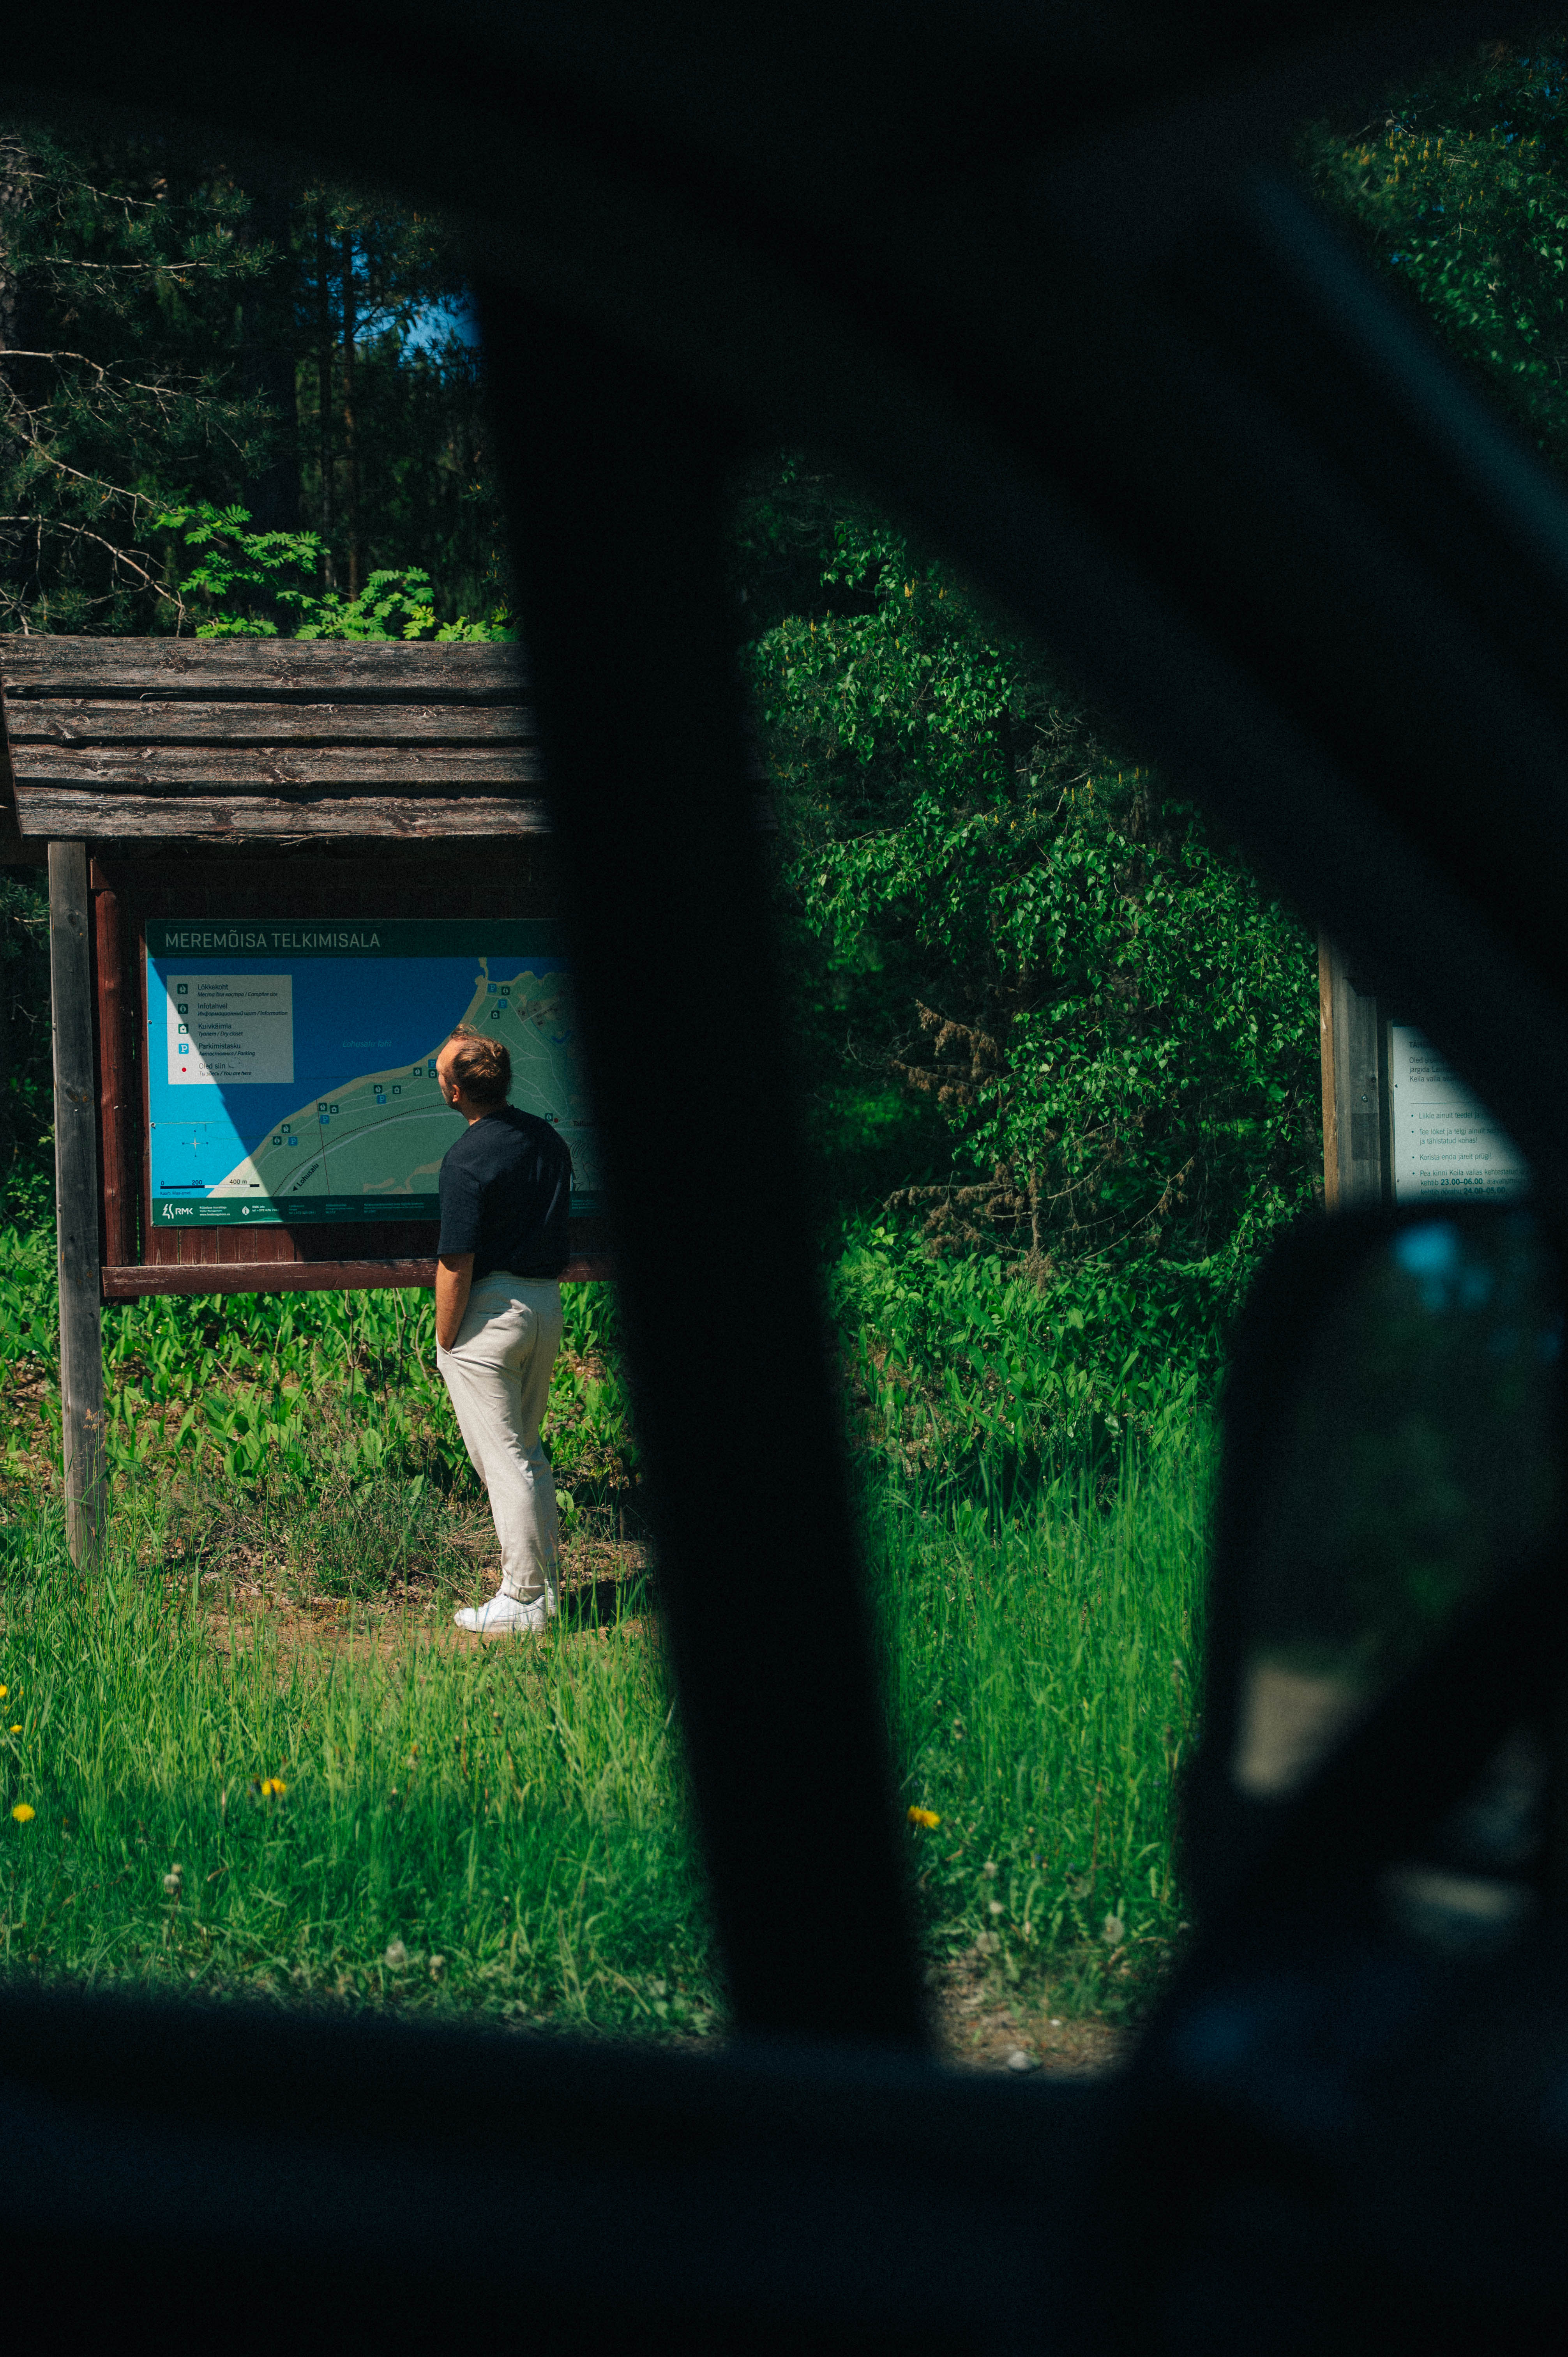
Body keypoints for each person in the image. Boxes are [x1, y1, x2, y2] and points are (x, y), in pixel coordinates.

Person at [432, 1022, 574, 1634]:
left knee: (504, 1460)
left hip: (490, 1316)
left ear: (456, 1091)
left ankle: (523, 1598)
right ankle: (545, 1591)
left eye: (440, 1074)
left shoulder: (465, 1159)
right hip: (545, 1305)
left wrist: (446, 1340)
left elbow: (455, 1262)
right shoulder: (547, 1139)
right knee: (527, 1453)